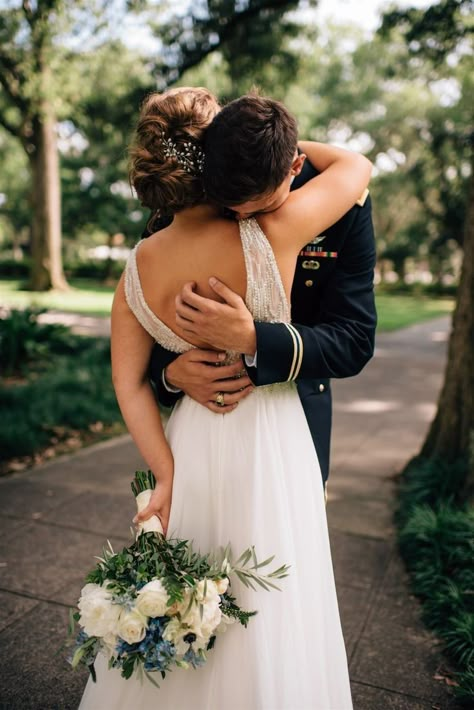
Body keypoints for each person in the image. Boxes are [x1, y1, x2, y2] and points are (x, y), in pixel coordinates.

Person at [79, 87, 372, 709]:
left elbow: (352, 339)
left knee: (199, 573)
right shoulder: (276, 228)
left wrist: (164, 471)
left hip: (197, 443)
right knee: (272, 594)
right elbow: (357, 165)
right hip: (272, 438)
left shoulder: (140, 262)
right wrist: (175, 373)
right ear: (207, 162)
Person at [148, 95, 377, 486]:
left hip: (295, 427)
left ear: (295, 167)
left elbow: (354, 339)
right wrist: (169, 373)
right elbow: (151, 301)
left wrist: (254, 339)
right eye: (230, 208)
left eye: (257, 207)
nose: (241, 219)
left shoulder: (346, 207)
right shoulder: (195, 190)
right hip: (201, 427)